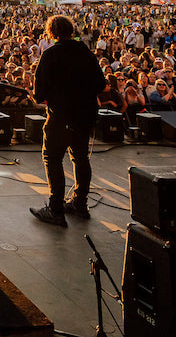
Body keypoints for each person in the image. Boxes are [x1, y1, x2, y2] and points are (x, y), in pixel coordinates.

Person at [30, 15, 105, 227]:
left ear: (51, 32)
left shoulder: (51, 54)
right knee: (80, 158)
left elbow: (39, 94)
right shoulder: (86, 53)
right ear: (71, 30)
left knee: (52, 158)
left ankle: (55, 209)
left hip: (61, 117)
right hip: (85, 116)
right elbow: (100, 84)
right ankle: (80, 203)